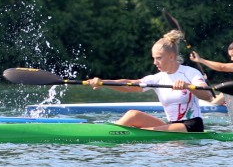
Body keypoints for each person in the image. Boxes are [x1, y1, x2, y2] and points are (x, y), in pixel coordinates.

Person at [85, 30, 213, 132]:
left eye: (158, 58)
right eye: (154, 58)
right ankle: (107, 132)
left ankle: (111, 134)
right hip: (171, 125)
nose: (154, 62)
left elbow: (207, 95)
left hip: (191, 126)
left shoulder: (190, 73)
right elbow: (130, 84)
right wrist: (103, 82)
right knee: (132, 115)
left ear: (171, 56)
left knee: (146, 134)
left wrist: (187, 86)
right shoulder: (157, 78)